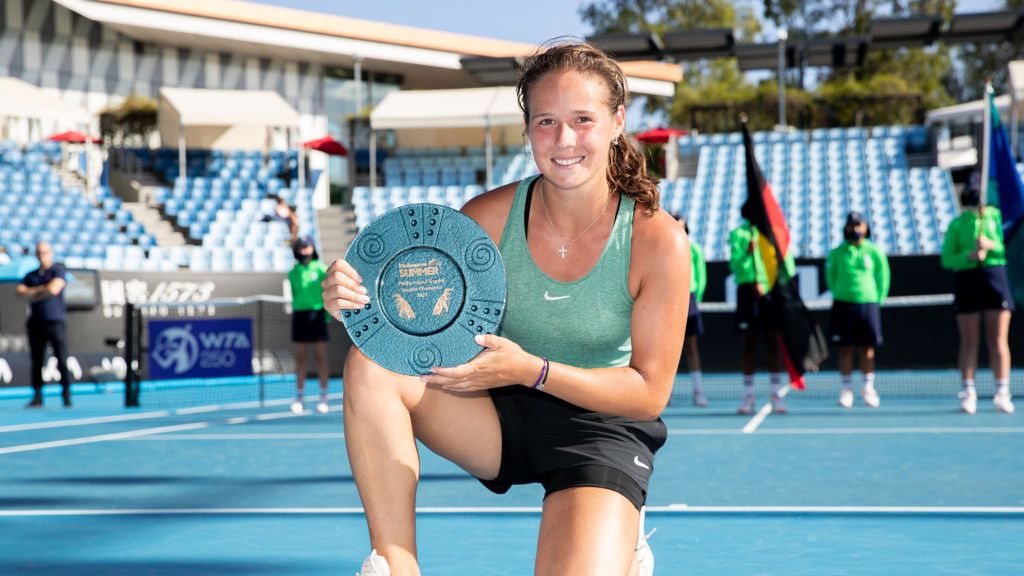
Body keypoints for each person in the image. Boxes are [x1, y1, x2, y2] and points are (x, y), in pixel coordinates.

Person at [322, 40, 689, 576]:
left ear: (616, 122)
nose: (564, 139)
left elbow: (649, 392)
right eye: (546, 121)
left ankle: (620, 544)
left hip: (600, 429)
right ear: (527, 130)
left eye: (582, 119)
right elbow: (416, 323)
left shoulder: (658, 241)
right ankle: (395, 566)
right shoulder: (487, 218)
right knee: (372, 367)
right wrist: (355, 299)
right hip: (499, 408)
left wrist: (533, 370)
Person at [940, 187, 1015, 415]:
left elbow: (1005, 245)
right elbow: (947, 259)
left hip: (994, 278)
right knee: (969, 340)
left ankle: (1002, 392)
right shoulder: (956, 224)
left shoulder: (997, 217)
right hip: (967, 280)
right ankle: (968, 391)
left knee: (998, 339)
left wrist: (990, 245)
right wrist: (969, 256)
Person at [728, 203, 795, 415]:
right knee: (749, 343)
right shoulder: (738, 234)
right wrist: (749, 254)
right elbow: (735, 266)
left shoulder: (772, 233)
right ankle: (748, 396)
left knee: (773, 342)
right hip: (748, 293)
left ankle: (775, 395)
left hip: (770, 293)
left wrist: (770, 284)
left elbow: (787, 264)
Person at [825, 212, 889, 409]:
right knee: (845, 348)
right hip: (844, 304)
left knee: (867, 348)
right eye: (852, 225)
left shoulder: (874, 251)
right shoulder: (837, 253)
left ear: (866, 227)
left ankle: (868, 388)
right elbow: (830, 277)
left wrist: (878, 298)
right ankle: (846, 389)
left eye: (859, 225)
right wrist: (840, 292)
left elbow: (883, 275)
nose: (856, 229)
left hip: (868, 304)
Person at [16, 241, 72, 408]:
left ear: (50, 253)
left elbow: (53, 289)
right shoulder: (30, 275)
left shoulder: (58, 270)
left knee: (61, 359)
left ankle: (66, 396)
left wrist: (33, 292)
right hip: (36, 323)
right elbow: (20, 292)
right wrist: (43, 289)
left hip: (55, 322)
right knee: (37, 361)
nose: (42, 256)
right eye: (39, 253)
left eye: (45, 252)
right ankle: (38, 397)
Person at [288, 237, 331, 415]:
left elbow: (326, 292)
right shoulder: (293, 272)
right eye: (301, 248)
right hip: (300, 315)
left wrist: (326, 316)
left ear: (313, 249)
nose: (304, 251)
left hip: (318, 314)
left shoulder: (321, 269)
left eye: (307, 247)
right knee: (301, 358)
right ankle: (299, 397)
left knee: (320, 357)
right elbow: (295, 294)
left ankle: (323, 397)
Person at [677, 216, 707, 407]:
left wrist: (696, 299)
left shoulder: (694, 248)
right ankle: (666, 394)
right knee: (668, 350)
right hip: (668, 300)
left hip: (689, 299)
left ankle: (698, 392)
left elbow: (701, 275)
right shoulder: (665, 247)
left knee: (691, 346)